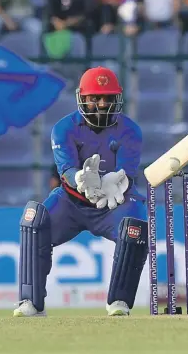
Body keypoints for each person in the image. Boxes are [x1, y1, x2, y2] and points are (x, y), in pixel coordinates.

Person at [14, 67, 147, 317]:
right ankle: (30, 302)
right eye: (95, 98)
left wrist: (112, 182)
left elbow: (125, 172)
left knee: (136, 223)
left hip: (113, 202)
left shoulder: (131, 130)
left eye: (107, 98)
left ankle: (119, 302)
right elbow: (65, 170)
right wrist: (79, 178)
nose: (102, 104)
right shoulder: (63, 128)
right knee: (34, 219)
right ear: (82, 98)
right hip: (71, 202)